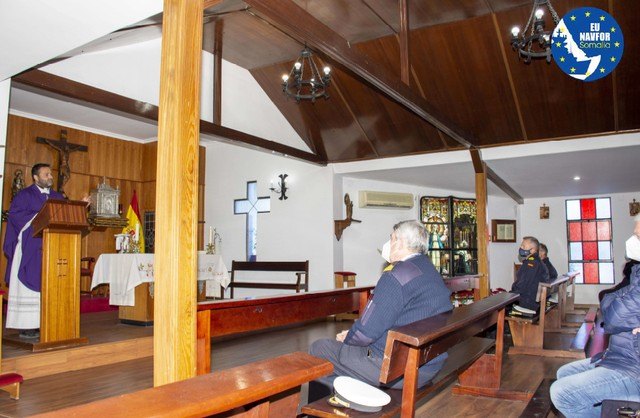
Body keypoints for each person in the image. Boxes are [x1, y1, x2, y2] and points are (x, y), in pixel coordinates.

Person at [308, 220, 452, 399]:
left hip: (399, 369)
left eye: (391, 238)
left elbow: (365, 333)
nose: (389, 243)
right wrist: (354, 336)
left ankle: (335, 406)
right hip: (429, 364)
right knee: (347, 352)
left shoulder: (396, 276)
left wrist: (349, 339)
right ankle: (354, 399)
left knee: (320, 348)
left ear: (399, 242)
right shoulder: (429, 269)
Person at [550, 215, 640, 417]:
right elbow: (608, 300)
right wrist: (617, 309)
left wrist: (616, 309)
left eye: (638, 236)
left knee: (561, 392)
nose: (632, 241)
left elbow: (614, 317)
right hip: (621, 355)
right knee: (563, 373)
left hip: (632, 367)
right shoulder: (638, 271)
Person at [3, 163, 65, 339]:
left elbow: (65, 215)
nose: (50, 177)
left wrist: (81, 205)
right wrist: (40, 217)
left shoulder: (57, 196)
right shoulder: (24, 195)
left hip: (52, 248)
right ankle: (27, 326)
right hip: (30, 247)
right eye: (46, 174)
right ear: (36, 177)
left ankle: (47, 322)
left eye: (50, 174)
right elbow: (15, 216)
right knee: (28, 283)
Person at [510, 236, 549, 311]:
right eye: (521, 245)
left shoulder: (531, 263)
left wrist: (510, 295)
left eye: (524, 246)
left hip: (528, 303)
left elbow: (522, 285)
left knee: (498, 307)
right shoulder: (537, 261)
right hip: (533, 301)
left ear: (533, 250)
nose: (521, 248)